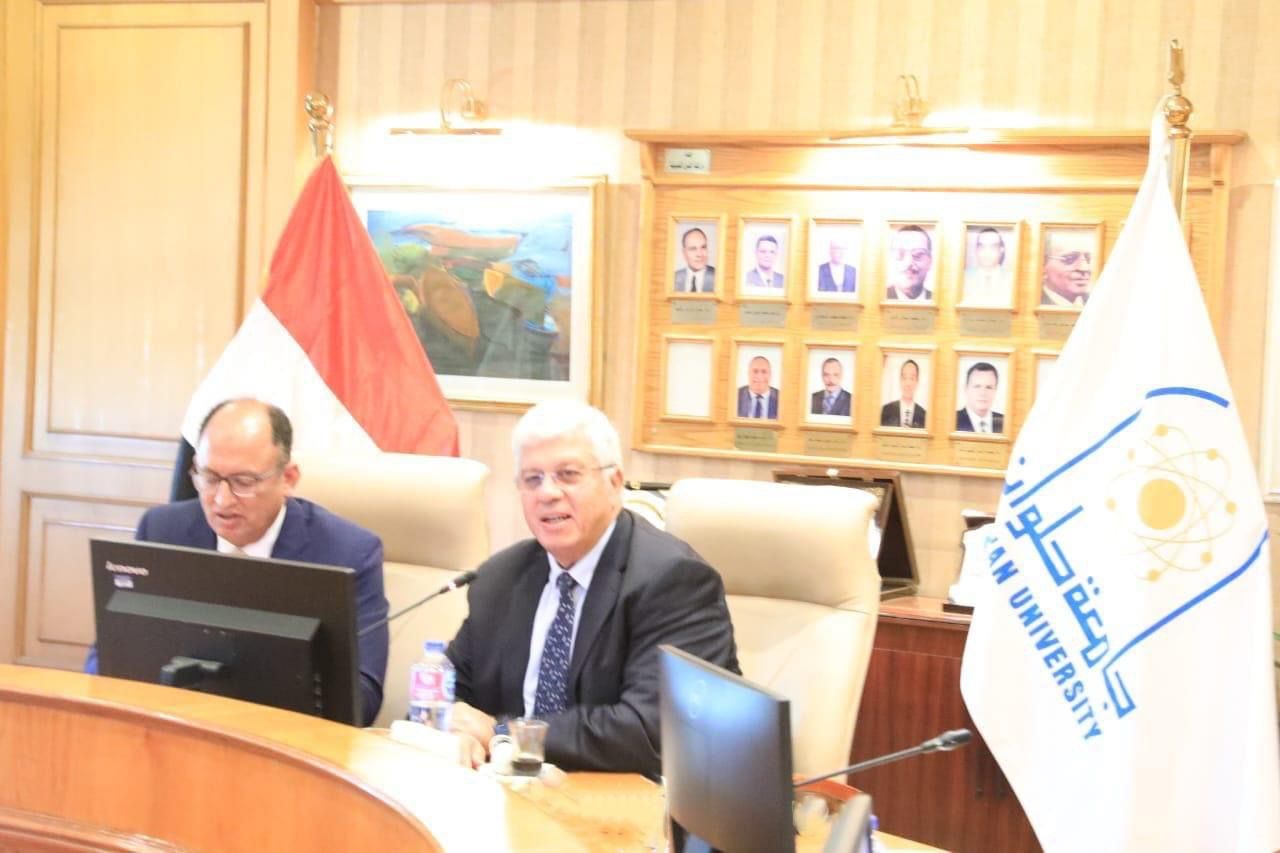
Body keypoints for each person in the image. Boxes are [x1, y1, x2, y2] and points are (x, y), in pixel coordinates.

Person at [445, 401, 738, 777]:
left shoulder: (673, 580)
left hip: (622, 801)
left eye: (567, 475)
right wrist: (454, 724)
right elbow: (447, 687)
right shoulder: (499, 579)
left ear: (614, 483)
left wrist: (506, 735)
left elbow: (651, 731)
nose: (547, 493)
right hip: (507, 795)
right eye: (532, 479)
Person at [84, 399, 390, 726]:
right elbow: (107, 657)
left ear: (288, 478)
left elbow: (362, 697)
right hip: (176, 729)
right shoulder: (162, 530)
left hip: (284, 739)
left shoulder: (347, 552)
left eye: (243, 482)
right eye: (209, 477)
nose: (222, 500)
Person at [1040, 229, 1094, 306]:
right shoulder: (1031, 303)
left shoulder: (1099, 303)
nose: (1084, 268)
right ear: (1042, 265)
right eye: (1070, 258)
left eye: (1088, 258)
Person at [961, 227, 1012, 307]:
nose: (987, 252)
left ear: (1001, 250)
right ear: (976, 249)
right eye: (982, 247)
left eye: (993, 247)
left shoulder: (1012, 280)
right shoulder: (962, 278)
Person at [885, 225, 934, 301]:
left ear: (930, 262)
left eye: (918, 255)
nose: (908, 263)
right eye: (900, 254)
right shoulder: (877, 298)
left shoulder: (940, 301)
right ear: (890, 259)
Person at [955, 362, 1004, 434]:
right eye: (977, 386)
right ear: (966, 389)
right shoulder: (952, 421)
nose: (983, 393)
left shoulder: (1005, 423)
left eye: (989, 387)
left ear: (995, 391)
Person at [880, 359, 927, 428]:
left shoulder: (925, 416)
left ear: (917, 381)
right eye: (904, 378)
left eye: (912, 378)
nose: (908, 383)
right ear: (900, 380)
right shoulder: (886, 411)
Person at [673, 227, 716, 294]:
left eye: (703, 247)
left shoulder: (718, 277)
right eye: (693, 249)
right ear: (684, 253)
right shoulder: (673, 278)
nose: (699, 254)